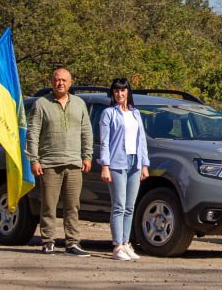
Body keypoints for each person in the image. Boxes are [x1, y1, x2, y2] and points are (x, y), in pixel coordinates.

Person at [26, 67, 94, 257]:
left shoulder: (79, 104)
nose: (60, 83)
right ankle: (48, 241)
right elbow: (33, 133)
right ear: (52, 81)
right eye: (57, 80)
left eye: (64, 80)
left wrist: (87, 156)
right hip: (49, 163)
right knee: (48, 205)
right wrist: (34, 159)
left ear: (70, 83)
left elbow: (86, 132)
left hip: (74, 163)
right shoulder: (41, 104)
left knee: (73, 206)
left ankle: (72, 243)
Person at [98, 77, 150, 262]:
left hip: (134, 162)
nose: (120, 94)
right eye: (116, 91)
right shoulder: (108, 114)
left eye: (123, 90)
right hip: (116, 162)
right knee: (119, 205)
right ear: (113, 93)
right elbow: (104, 142)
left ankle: (126, 243)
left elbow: (142, 140)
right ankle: (117, 245)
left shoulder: (136, 113)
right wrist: (105, 165)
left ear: (128, 92)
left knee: (130, 207)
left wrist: (144, 164)